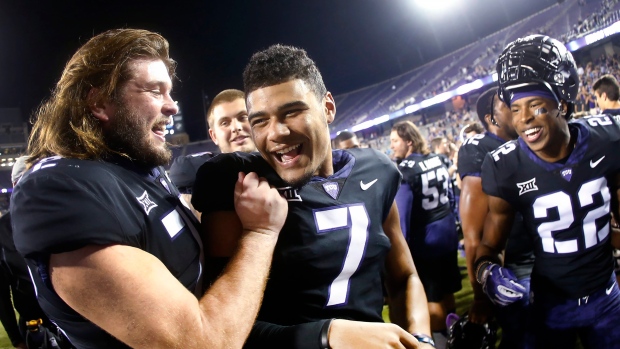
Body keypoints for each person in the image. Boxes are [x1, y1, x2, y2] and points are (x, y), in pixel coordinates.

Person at [10, 28, 288, 349]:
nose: (171, 106)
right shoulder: (61, 187)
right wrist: (260, 232)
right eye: (155, 91)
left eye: (170, 92)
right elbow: (204, 344)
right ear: (99, 102)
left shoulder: (139, 166)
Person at [192, 44, 434, 349]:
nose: (276, 132)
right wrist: (326, 335)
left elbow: (404, 278)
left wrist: (422, 338)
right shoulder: (236, 182)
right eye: (260, 121)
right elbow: (222, 330)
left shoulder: (378, 171)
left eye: (291, 112)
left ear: (328, 108)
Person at [475, 34, 620, 348]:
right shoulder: (505, 166)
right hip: (550, 309)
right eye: (515, 109)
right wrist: (489, 275)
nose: (524, 118)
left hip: (608, 299)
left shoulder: (607, 139)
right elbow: (489, 247)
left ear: (563, 104)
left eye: (536, 106)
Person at [457, 87, 534, 348]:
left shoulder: (528, 142)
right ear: (492, 118)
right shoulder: (480, 148)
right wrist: (480, 296)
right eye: (508, 105)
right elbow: (472, 233)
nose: (518, 109)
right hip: (514, 264)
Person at [390, 120, 461, 348]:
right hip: (447, 233)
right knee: (447, 291)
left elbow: (402, 220)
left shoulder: (405, 170)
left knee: (431, 298)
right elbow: (450, 197)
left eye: (395, 141)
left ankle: (443, 340)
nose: (392, 146)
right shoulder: (437, 159)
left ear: (408, 141)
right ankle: (456, 332)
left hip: (426, 242)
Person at [168, 89, 256, 219]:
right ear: (214, 136)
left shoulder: (282, 161)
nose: (236, 127)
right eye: (225, 123)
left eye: (243, 117)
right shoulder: (195, 168)